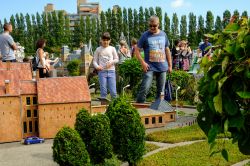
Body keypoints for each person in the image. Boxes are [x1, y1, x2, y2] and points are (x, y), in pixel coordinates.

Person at [135, 15, 172, 103]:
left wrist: (170, 65)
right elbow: (137, 50)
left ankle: (158, 110)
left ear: (158, 24)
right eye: (150, 26)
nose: (152, 27)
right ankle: (139, 108)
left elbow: (167, 49)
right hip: (149, 67)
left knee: (160, 92)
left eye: (154, 26)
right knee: (144, 88)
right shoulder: (145, 35)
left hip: (162, 67)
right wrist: (143, 63)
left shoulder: (163, 34)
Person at [93, 32, 119, 99]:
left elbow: (117, 59)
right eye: (104, 40)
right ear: (101, 40)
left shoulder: (112, 48)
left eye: (107, 40)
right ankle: (103, 107)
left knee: (113, 91)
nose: (105, 42)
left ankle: (114, 107)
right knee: (103, 91)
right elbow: (94, 61)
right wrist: (97, 66)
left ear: (110, 40)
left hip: (111, 72)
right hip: (102, 72)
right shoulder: (98, 49)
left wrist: (111, 62)